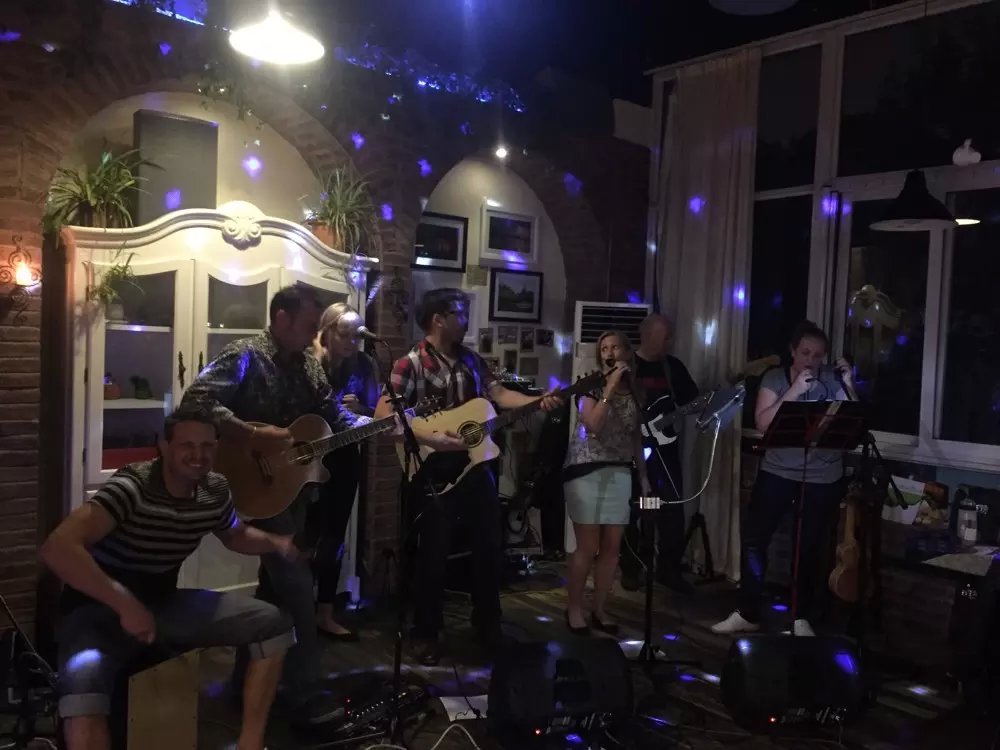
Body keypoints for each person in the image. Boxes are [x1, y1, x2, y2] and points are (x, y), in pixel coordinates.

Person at [40, 405, 297, 750]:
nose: (198, 455)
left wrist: (275, 543)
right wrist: (125, 605)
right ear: (164, 446)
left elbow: (234, 534)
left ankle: (250, 743)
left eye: (207, 446)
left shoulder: (215, 489)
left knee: (273, 624)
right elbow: (57, 548)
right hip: (95, 607)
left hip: (163, 601)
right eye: (187, 445)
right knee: (83, 694)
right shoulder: (133, 486)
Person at [181, 285, 368, 726]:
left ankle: (241, 687)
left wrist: (377, 424)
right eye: (309, 326)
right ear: (282, 319)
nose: (314, 336)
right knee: (299, 590)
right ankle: (307, 696)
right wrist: (249, 433)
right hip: (250, 484)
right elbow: (195, 400)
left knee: (273, 593)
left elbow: (333, 415)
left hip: (291, 490)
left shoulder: (307, 365)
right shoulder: (245, 354)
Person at [373, 288, 562, 666]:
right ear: (439, 319)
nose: (465, 320)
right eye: (459, 313)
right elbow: (383, 416)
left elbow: (499, 395)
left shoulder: (472, 359)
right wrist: (432, 438)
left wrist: (537, 400)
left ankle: (488, 625)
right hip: (432, 469)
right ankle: (426, 632)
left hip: (476, 467)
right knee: (433, 552)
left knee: (489, 547)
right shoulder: (410, 363)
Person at [712, 320, 857, 637]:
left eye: (817, 355)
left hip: (822, 476)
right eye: (805, 353)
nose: (811, 360)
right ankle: (747, 611)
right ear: (793, 351)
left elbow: (852, 423)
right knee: (756, 540)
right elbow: (763, 423)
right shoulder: (775, 378)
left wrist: (848, 384)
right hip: (777, 471)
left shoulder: (831, 380)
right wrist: (794, 392)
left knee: (808, 546)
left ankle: (800, 617)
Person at [563, 331, 648, 636]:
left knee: (612, 547)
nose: (609, 353)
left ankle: (600, 609)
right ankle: (574, 608)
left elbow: (635, 437)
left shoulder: (636, 390)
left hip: (620, 470)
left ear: (627, 353)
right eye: (604, 349)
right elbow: (594, 425)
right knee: (588, 546)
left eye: (615, 348)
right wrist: (609, 388)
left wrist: (643, 476)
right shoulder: (590, 385)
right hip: (585, 469)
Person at [309, 302, 381, 640]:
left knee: (334, 536)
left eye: (357, 336)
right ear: (327, 332)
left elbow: (377, 411)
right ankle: (295, 612)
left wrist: (361, 406)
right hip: (307, 456)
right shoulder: (310, 361)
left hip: (345, 456)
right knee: (305, 534)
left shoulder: (364, 364)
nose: (352, 342)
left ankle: (325, 612)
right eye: (344, 334)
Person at [621, 313, 699, 594]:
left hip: (665, 451)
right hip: (633, 451)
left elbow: (691, 400)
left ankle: (668, 569)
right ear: (649, 336)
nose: (670, 342)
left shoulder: (672, 367)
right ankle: (631, 568)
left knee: (671, 509)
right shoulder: (628, 366)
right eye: (666, 337)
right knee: (635, 510)